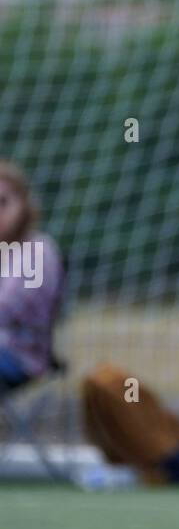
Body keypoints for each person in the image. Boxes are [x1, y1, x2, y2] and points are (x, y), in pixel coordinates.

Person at [0, 160, 64, 394]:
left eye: (3, 202)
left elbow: (6, 308)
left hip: (20, 357)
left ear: (24, 204)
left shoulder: (37, 250)